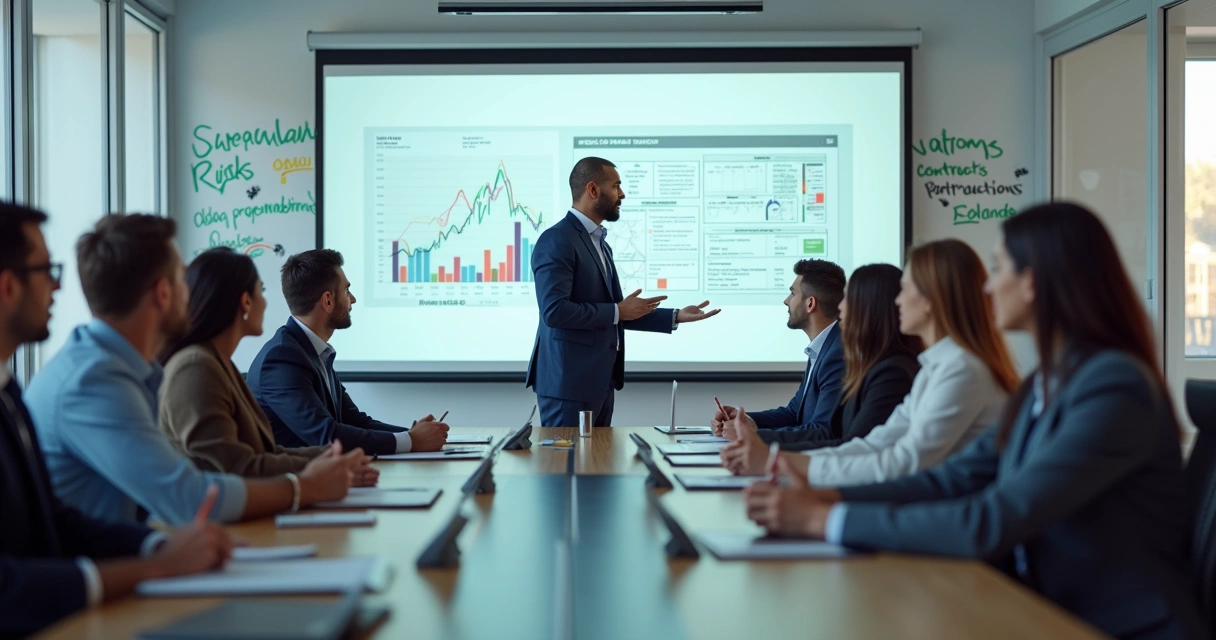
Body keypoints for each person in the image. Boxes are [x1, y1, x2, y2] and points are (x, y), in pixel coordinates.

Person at [744, 203, 1206, 640]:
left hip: (1109, 625)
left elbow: (993, 519)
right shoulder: (1042, 386)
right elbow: (948, 480)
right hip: (1044, 605)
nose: (987, 287)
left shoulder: (1113, 389)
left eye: (999, 268)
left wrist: (826, 520)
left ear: (1034, 283)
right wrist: (825, 495)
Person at [25, 214, 359, 526]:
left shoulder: (121, 369)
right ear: (164, 292)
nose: (192, 291)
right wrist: (305, 487)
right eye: (182, 279)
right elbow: (188, 496)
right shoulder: (94, 381)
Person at [0, 204, 234, 637]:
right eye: (45, 270)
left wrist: (157, 545)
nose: (56, 286)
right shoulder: (85, 380)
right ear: (8, 286)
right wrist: (156, 566)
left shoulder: (8, 390)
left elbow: (57, 521)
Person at [723, 239, 1019, 486]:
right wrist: (778, 460)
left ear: (930, 299)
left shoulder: (960, 370)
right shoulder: (936, 367)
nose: (898, 301)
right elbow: (874, 445)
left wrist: (776, 462)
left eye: (906, 289)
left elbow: (903, 462)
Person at [526, 157, 720, 428]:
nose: (622, 194)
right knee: (565, 467)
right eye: (616, 186)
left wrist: (675, 316)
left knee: (598, 465)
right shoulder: (558, 239)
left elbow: (613, 314)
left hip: (599, 383)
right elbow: (554, 311)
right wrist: (618, 310)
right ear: (593, 190)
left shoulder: (600, 244)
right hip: (567, 386)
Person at [159, 247, 379, 485]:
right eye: (261, 291)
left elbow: (265, 453)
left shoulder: (218, 364)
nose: (265, 302)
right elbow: (239, 467)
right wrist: (327, 468)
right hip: (216, 517)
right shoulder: (196, 368)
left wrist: (334, 459)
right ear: (245, 302)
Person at [247, 249, 448, 456]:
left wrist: (413, 434)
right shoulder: (282, 358)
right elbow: (326, 435)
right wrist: (411, 440)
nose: (353, 300)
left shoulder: (311, 351)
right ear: (327, 300)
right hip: (297, 483)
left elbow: (355, 421)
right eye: (347, 291)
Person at [746, 264, 922, 450]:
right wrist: (747, 423)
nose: (841, 305)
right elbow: (798, 414)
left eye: (849, 298)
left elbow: (851, 446)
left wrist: (755, 438)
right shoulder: (855, 358)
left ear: (869, 308)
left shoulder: (886, 371)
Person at [711, 259, 847, 439]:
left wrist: (751, 435)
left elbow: (822, 431)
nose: (786, 300)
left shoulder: (837, 354)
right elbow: (794, 414)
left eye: (792, 293)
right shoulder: (824, 347)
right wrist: (744, 419)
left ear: (810, 303)